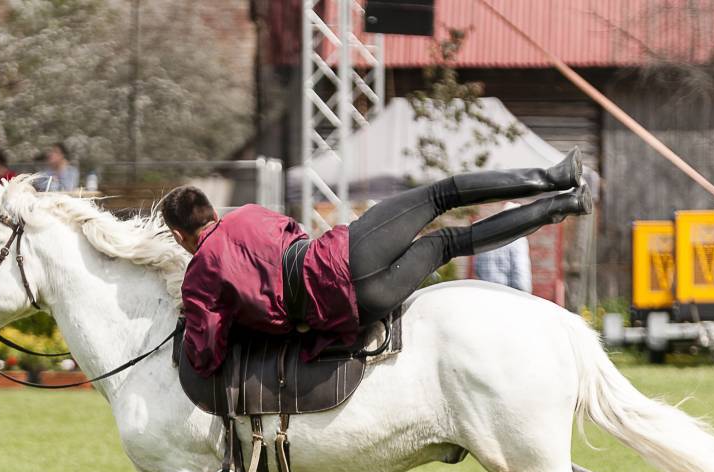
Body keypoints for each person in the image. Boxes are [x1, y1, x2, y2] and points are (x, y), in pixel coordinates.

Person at [164, 149, 591, 378]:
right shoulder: (247, 214)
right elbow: (293, 234)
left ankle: (561, 203)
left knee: (447, 243)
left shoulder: (198, 276)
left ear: (180, 235)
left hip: (357, 305)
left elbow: (206, 355)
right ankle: (561, 189)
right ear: (212, 212)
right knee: (441, 196)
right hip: (347, 252)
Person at [472, 202, 532, 292]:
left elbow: (477, 267)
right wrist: (525, 296)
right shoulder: (517, 239)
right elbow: (520, 271)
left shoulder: (486, 237)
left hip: (485, 291)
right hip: (507, 293)